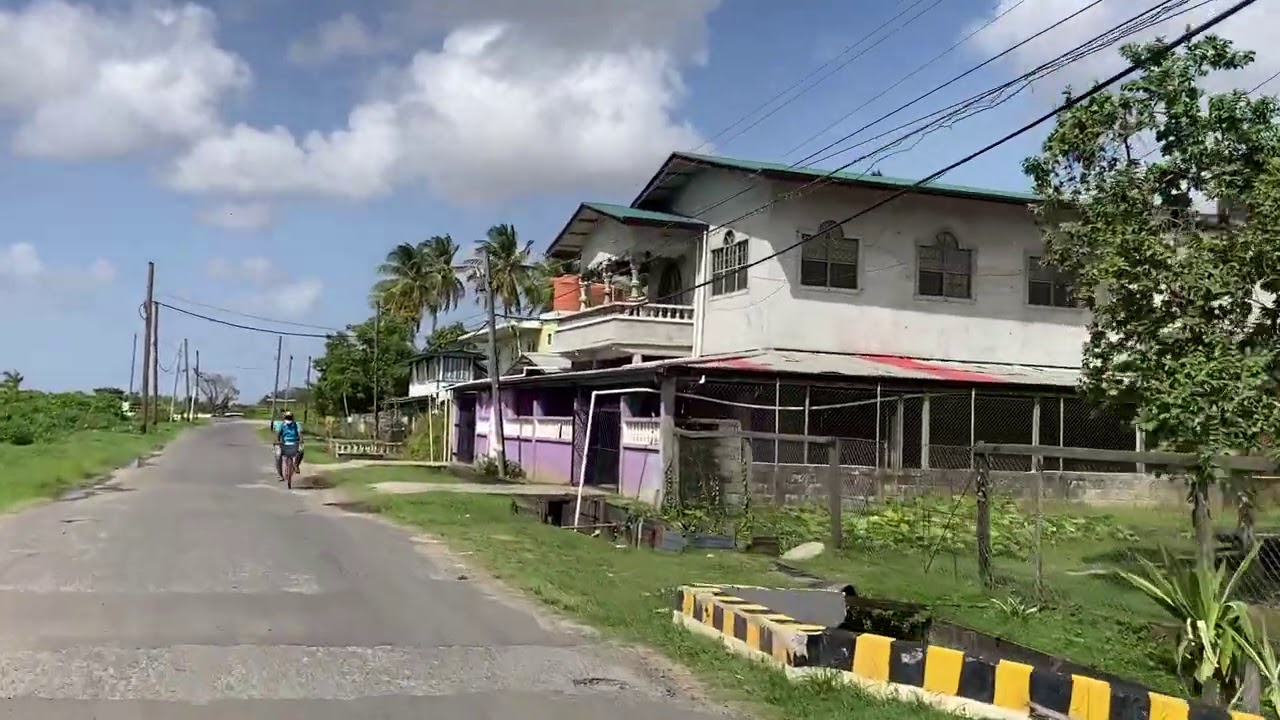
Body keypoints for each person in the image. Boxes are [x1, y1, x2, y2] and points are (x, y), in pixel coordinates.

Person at [275, 412, 304, 480]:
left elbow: (300, 433)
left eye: (289, 417)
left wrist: (301, 440)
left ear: (292, 418)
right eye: (287, 417)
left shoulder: (297, 424)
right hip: (284, 443)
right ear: (284, 418)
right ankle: (280, 474)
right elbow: (278, 434)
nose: (288, 419)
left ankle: (296, 465)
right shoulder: (281, 425)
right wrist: (278, 441)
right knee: (278, 456)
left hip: (295, 443)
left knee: (301, 450)